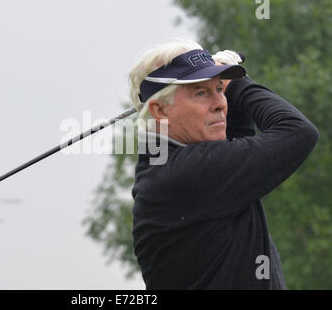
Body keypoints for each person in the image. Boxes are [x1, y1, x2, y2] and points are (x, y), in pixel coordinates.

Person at [129, 38, 319, 289]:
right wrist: (239, 85)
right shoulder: (188, 174)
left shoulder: (165, 167)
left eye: (219, 90)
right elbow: (297, 132)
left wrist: (219, 82)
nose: (219, 103)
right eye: (200, 93)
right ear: (161, 111)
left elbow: (239, 139)